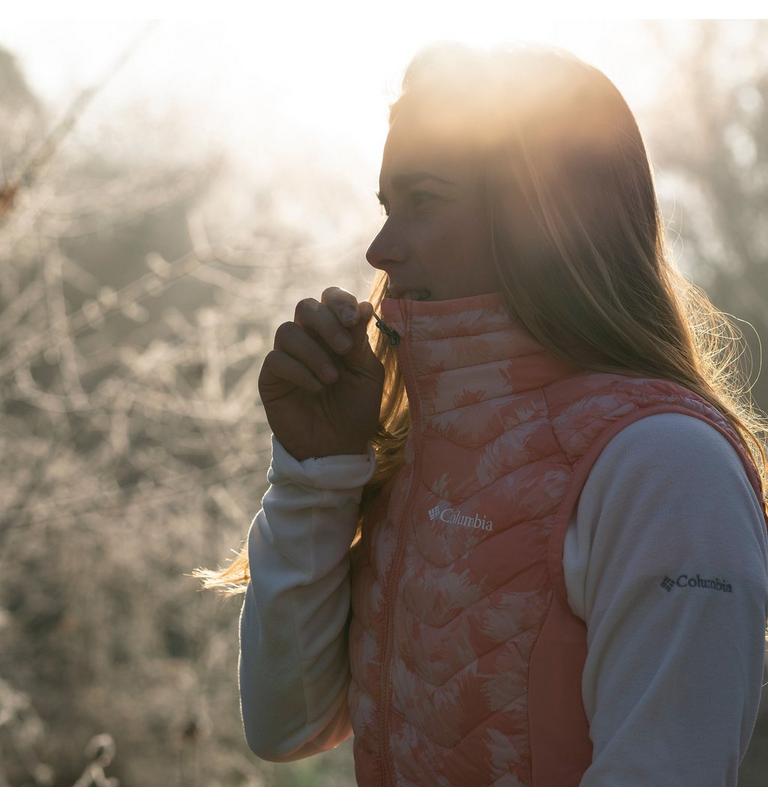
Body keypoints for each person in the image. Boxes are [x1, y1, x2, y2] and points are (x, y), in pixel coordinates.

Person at [193, 41, 768, 786]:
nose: (380, 248)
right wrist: (317, 475)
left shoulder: (668, 469)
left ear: (545, 216)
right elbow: (285, 723)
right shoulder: (423, 436)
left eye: (423, 201)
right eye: (386, 207)